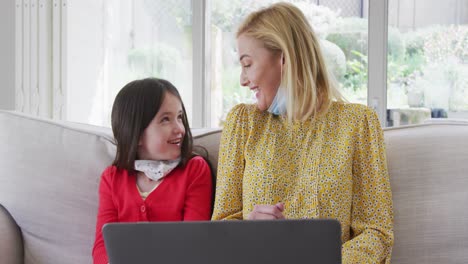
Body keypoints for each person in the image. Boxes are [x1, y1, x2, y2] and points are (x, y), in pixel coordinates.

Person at [211, 2, 393, 263]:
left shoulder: (358, 124)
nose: (242, 79)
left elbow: (377, 233)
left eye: (247, 64)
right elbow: (220, 231)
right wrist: (246, 231)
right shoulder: (242, 123)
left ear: (284, 59)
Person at [92, 78, 213, 264]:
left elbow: (193, 243)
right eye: (165, 119)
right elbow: (102, 246)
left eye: (180, 117)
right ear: (136, 133)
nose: (179, 128)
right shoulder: (112, 179)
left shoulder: (194, 170)